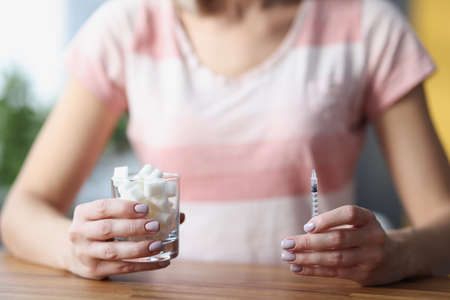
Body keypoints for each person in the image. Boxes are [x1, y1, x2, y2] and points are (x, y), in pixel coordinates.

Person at [1, 0, 449, 285]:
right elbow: (20, 212)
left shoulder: (368, 26)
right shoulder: (126, 26)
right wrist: (76, 247)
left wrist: (397, 253)